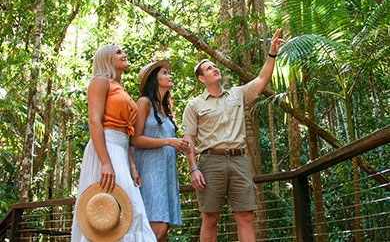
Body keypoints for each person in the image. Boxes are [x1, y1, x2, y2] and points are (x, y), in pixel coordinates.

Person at [182, 29, 284, 242]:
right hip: (210, 162)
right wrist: (193, 168)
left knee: (245, 216)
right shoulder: (194, 105)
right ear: (202, 79)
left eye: (215, 65)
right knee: (210, 217)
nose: (215, 68)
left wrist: (272, 53)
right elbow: (188, 140)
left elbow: (263, 79)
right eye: (209, 68)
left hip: (239, 160)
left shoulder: (237, 93)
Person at [71, 44, 157, 242]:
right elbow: (94, 121)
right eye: (118, 52)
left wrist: (132, 165)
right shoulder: (100, 82)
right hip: (105, 148)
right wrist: (105, 162)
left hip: (120, 150)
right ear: (107, 59)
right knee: (110, 210)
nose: (124, 54)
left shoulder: (120, 88)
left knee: (129, 211)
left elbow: (126, 131)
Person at [131, 60, 190, 242]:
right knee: (157, 230)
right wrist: (168, 141)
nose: (170, 75)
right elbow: (134, 139)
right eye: (164, 73)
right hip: (148, 171)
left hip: (166, 174)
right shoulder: (144, 103)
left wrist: (178, 145)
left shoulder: (165, 108)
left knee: (163, 231)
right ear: (153, 80)